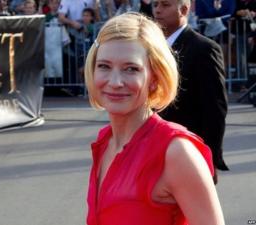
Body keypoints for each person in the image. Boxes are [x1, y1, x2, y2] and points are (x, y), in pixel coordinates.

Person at [84, 12, 225, 225]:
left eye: (131, 69)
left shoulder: (177, 152)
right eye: (104, 66)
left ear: (154, 78)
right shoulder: (105, 142)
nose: (115, 81)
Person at [152, 0, 229, 182]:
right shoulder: (151, 48)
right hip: (153, 148)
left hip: (188, 150)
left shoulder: (204, 48)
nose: (158, 10)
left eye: (165, 5)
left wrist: (209, 158)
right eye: (155, 4)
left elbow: (215, 109)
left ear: (184, 10)